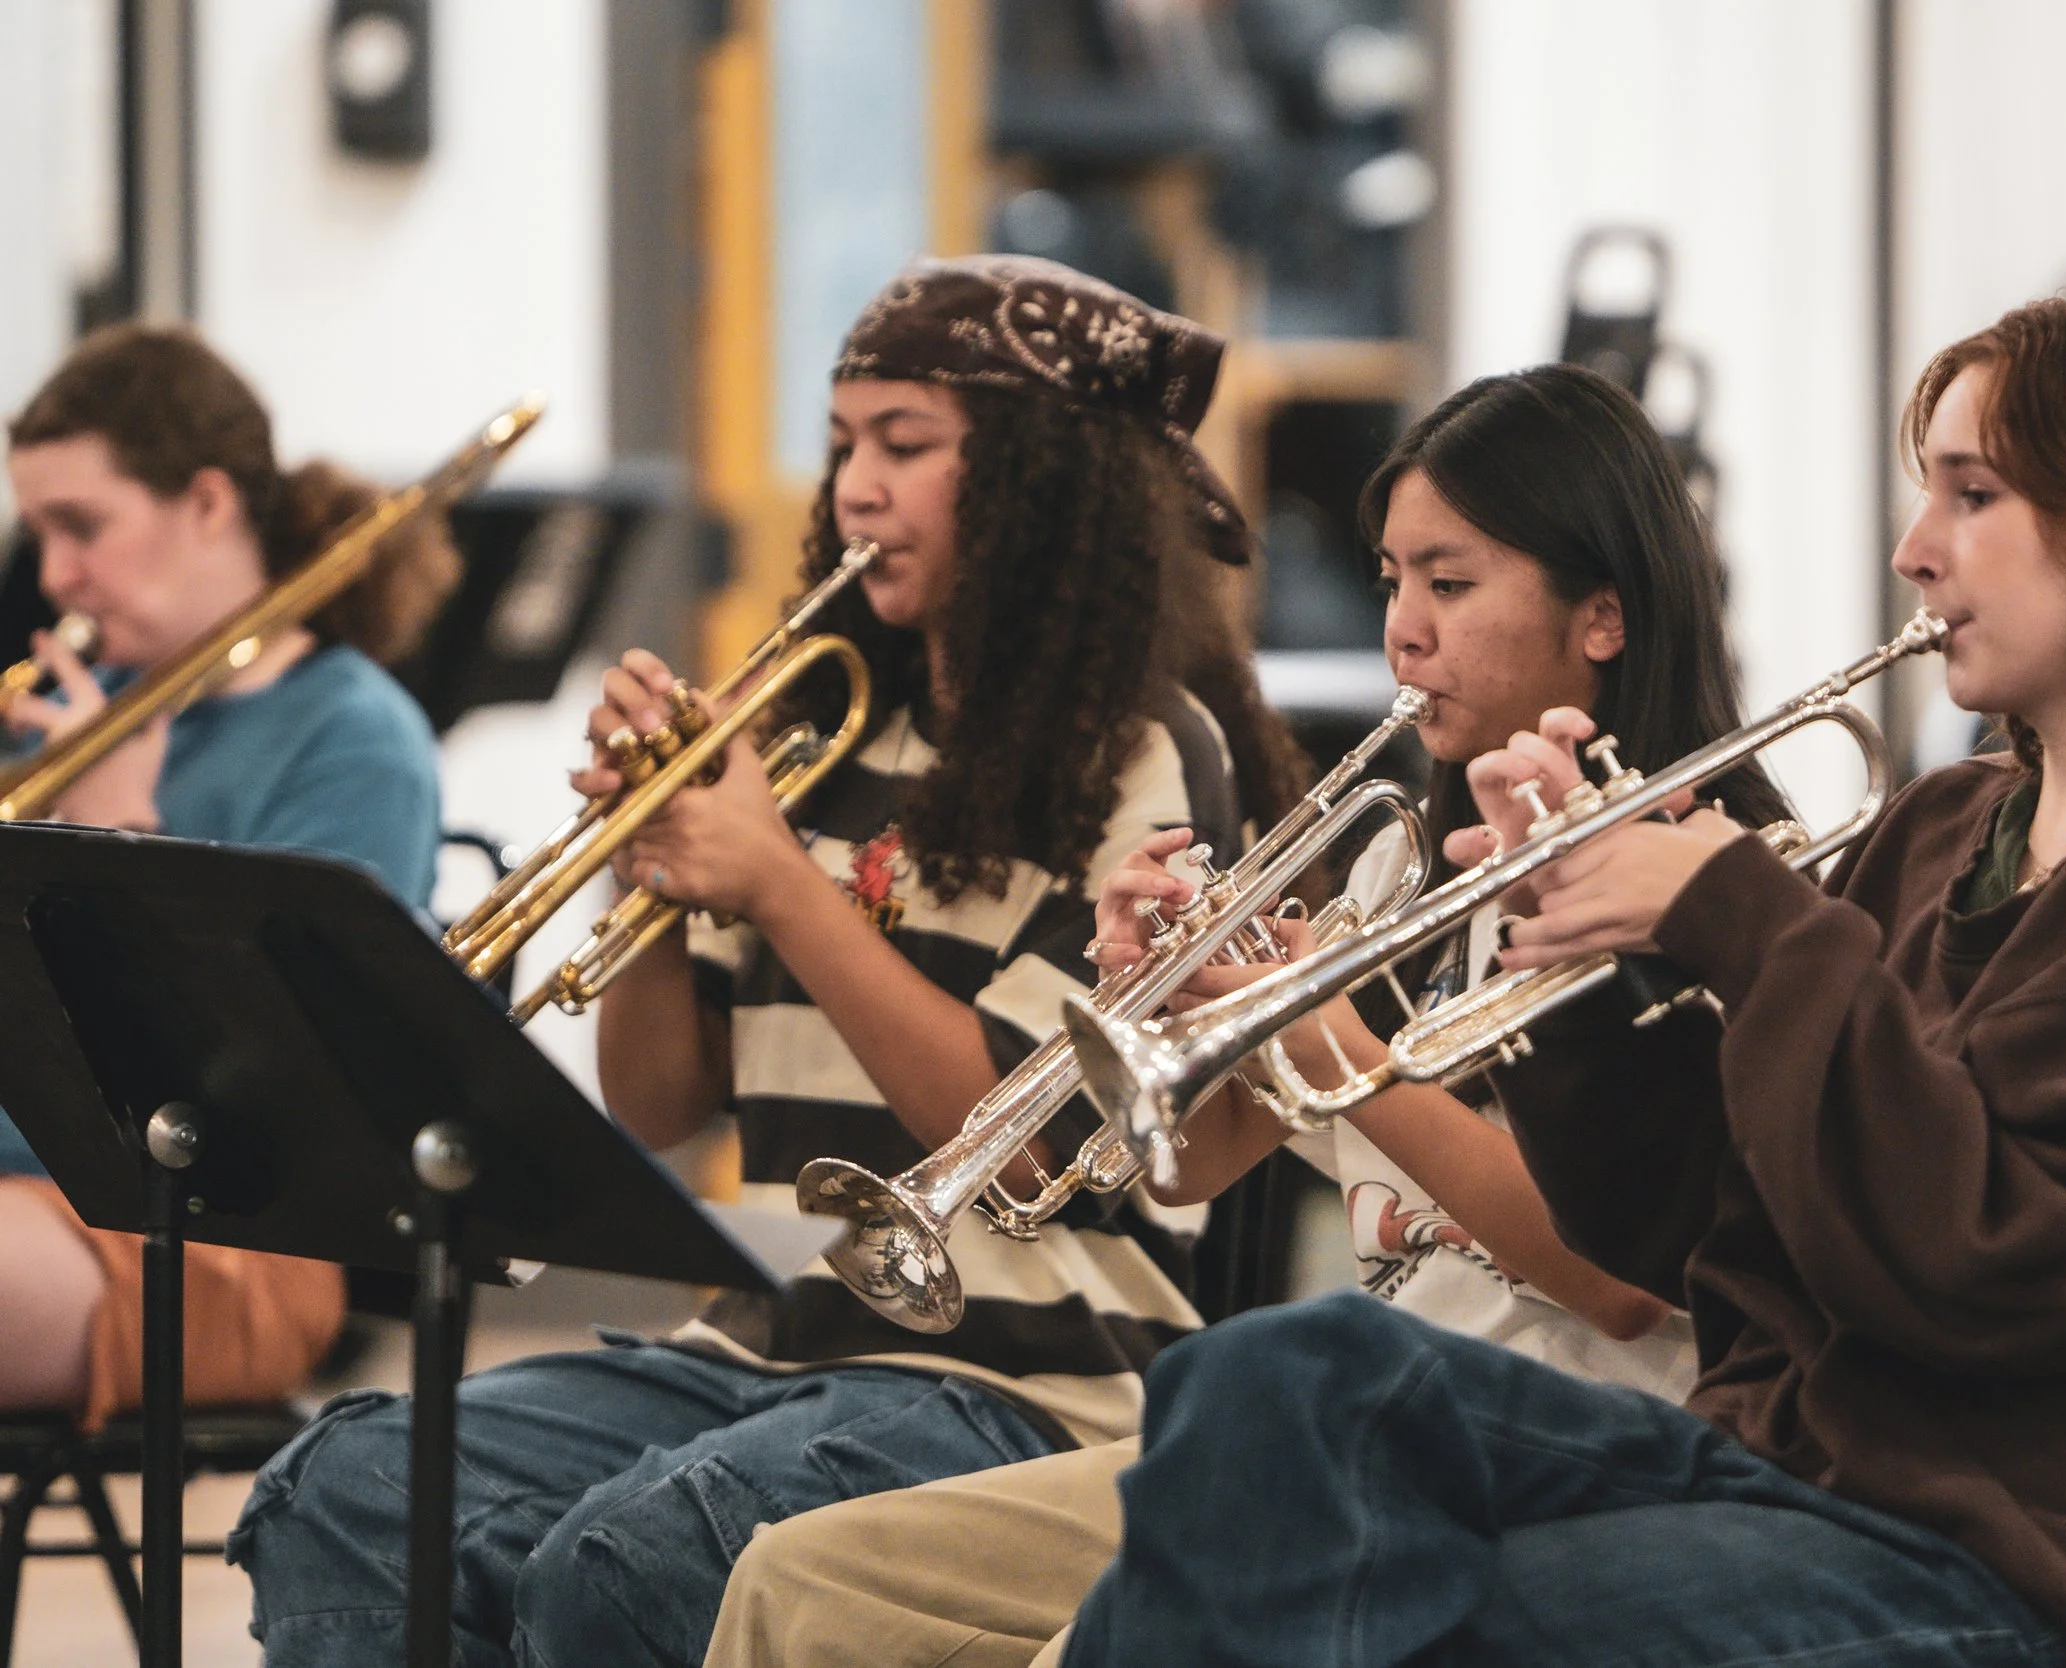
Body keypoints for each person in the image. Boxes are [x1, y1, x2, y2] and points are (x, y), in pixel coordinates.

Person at [1044, 283, 2066, 1668]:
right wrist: (1572, 937)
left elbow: (1992, 1264)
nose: (1914, 551)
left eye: (1972, 495)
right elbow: (1688, 1233)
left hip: (2028, 1579)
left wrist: (1748, 920)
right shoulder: (1942, 829)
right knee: (1277, 1378)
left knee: (1379, 1615)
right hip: (1788, 1474)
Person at [228, 256, 1308, 1668]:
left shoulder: (1148, 752)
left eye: (905, 446)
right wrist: (645, 860)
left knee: (627, 1561)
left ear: (1044, 483)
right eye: (844, 445)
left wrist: (781, 887)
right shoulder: (813, 737)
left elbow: (1026, 1138)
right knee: (348, 1487)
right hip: (761, 1343)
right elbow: (659, 1101)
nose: (856, 488)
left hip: (1025, 1384)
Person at [700, 361, 1792, 1668]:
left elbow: (1621, 1289)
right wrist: (1163, 1007)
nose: (1403, 631)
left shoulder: (1713, 880)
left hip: (1547, 1453)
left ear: (1602, 616)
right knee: (796, 1584)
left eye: (1450, 585)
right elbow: (1194, 1170)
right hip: (1337, 1439)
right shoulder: (1401, 868)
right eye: (1390, 581)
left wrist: (1324, 1032)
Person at [0, 323, 454, 1429]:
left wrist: (116, 836)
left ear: (207, 503)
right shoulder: (76, 719)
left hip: (211, 1237)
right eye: (40, 533)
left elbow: (269, 1098)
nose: (54, 575)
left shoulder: (353, 739)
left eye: (82, 527)